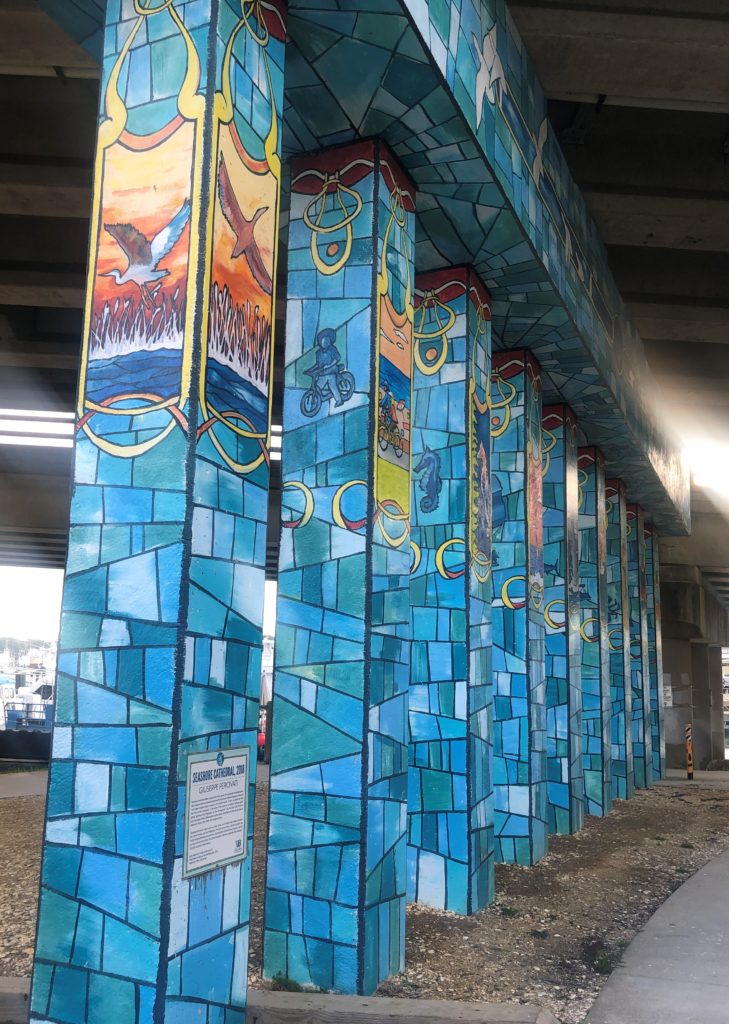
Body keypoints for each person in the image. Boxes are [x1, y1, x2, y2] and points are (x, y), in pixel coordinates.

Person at [314, 328, 345, 406]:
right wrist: (312, 370)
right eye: (323, 340)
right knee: (317, 387)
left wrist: (329, 365)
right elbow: (318, 364)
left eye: (327, 340)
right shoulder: (318, 352)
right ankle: (318, 400)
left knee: (333, 386)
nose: (325, 342)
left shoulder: (332, 349)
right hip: (322, 373)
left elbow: (337, 358)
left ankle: (339, 401)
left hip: (331, 372)